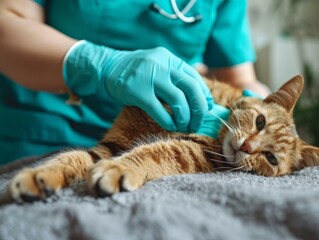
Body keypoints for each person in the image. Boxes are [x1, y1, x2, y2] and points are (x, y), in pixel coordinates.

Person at [0, 0, 269, 165]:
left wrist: (270, 115)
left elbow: (237, 80)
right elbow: (6, 21)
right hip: (42, 133)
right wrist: (101, 64)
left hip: (159, 145)